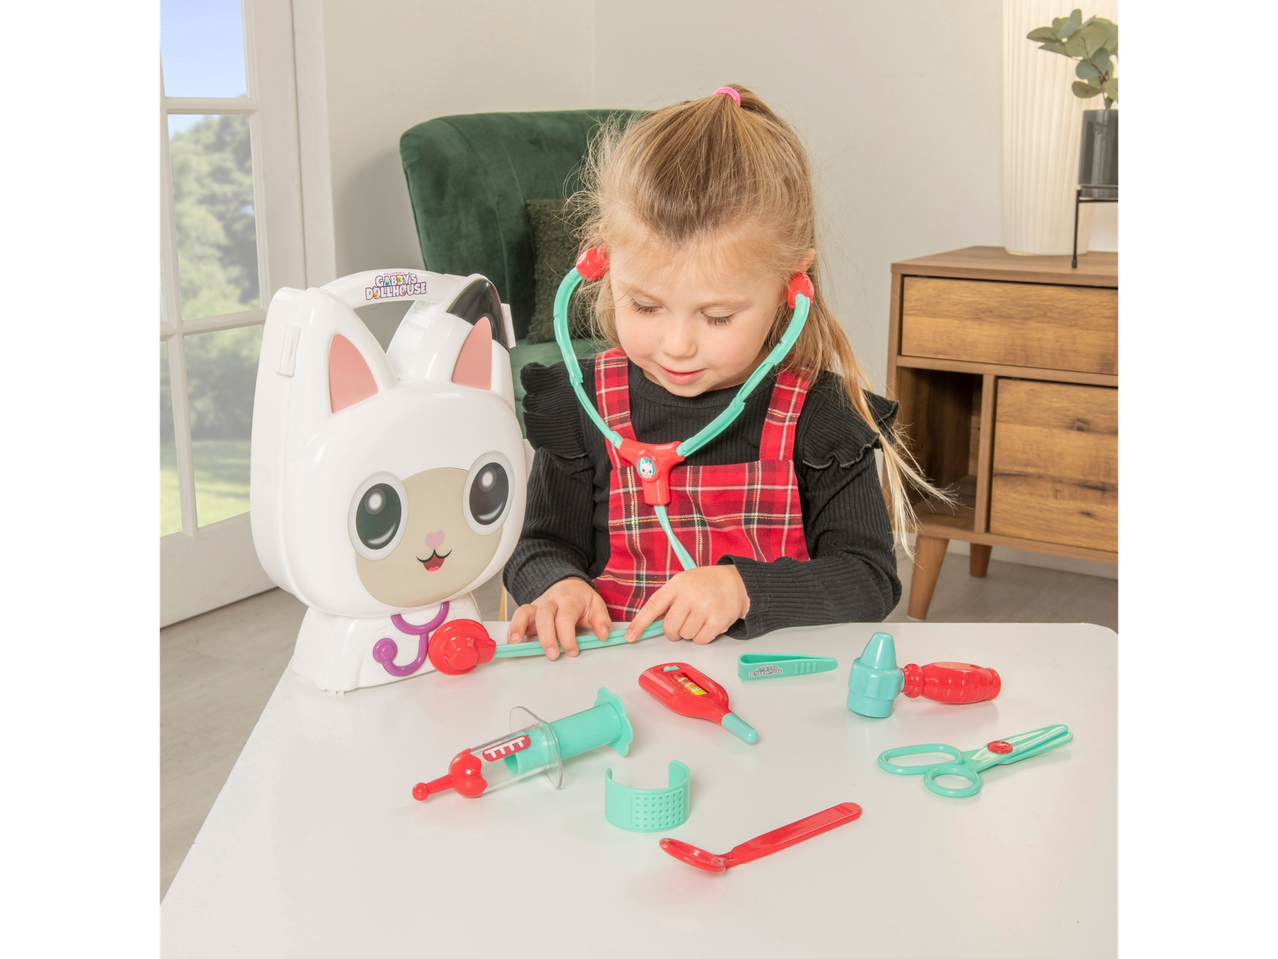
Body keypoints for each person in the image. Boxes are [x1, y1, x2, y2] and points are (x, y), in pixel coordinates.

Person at [502, 83, 944, 660]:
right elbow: (540, 544)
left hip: (774, 695)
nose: (677, 345)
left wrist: (743, 588)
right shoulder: (582, 404)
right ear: (604, 264)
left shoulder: (820, 417)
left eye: (717, 316)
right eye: (645, 305)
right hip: (617, 694)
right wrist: (557, 586)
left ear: (792, 286)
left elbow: (867, 579)